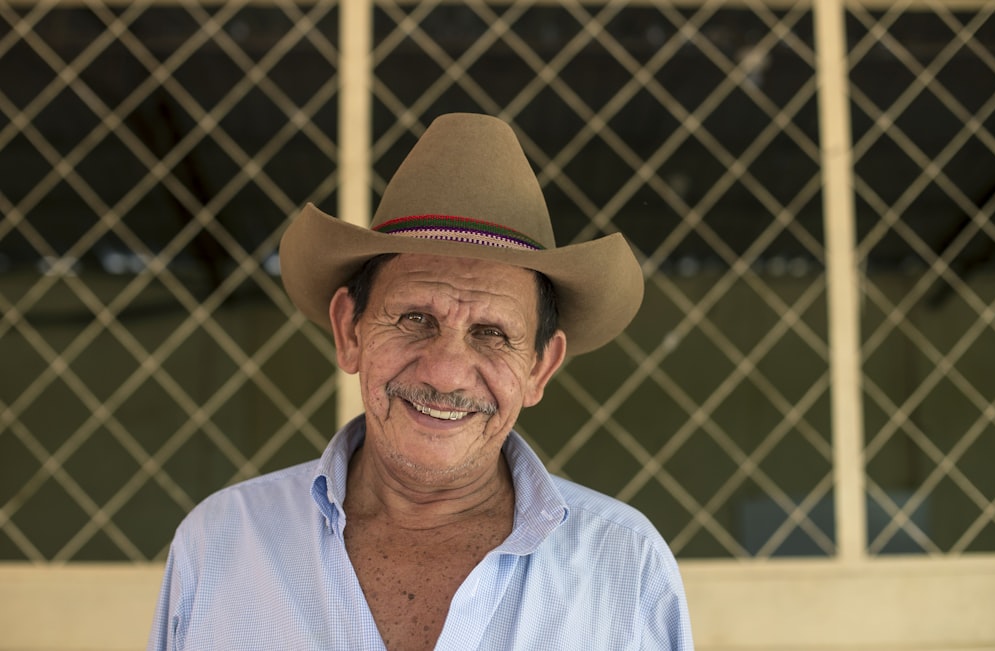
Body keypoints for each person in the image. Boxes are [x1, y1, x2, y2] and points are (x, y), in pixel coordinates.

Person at [147, 113, 694, 650]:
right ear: (350, 331)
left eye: (491, 333)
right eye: (415, 319)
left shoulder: (626, 567)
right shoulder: (222, 545)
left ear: (538, 367)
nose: (446, 372)